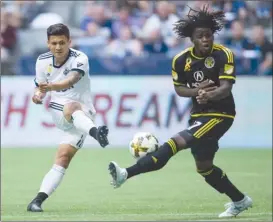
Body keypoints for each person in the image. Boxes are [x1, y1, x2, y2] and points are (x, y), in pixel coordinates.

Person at [108, 5, 252, 218]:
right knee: (204, 167)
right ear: (192, 39)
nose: (206, 39)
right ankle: (240, 200)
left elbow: (226, 87)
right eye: (201, 36)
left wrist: (208, 96)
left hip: (220, 114)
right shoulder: (181, 60)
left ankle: (125, 174)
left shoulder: (224, 54)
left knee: (173, 143)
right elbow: (179, 88)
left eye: (209, 35)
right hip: (198, 115)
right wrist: (198, 91)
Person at [27, 23, 109, 212]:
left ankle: (37, 201)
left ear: (69, 42)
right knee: (71, 106)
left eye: (62, 43)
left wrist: (49, 87)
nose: (58, 47)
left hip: (85, 115)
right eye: (54, 43)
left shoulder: (80, 58)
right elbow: (39, 87)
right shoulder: (42, 61)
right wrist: (38, 95)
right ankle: (97, 134)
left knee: (63, 158)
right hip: (59, 110)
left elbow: (71, 80)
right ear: (48, 43)